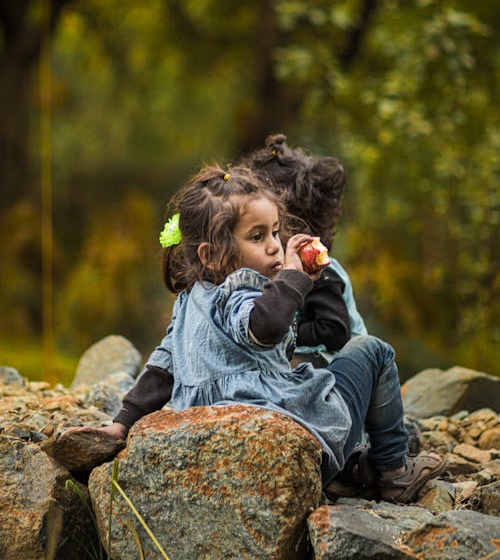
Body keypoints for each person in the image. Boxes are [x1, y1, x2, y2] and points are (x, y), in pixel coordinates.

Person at [78, 163, 444, 503]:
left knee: (314, 379)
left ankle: (353, 469)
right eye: (257, 237)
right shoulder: (244, 290)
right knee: (371, 350)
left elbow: (160, 371)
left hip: (218, 451)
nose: (273, 245)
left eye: (274, 232)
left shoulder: (189, 303)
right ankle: (393, 472)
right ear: (210, 254)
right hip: (284, 445)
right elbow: (264, 326)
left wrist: (121, 424)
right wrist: (295, 278)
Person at [240, 133, 367, 366]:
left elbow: (334, 330)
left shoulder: (319, 271)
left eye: (275, 230)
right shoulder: (266, 269)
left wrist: (282, 332)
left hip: (341, 370)